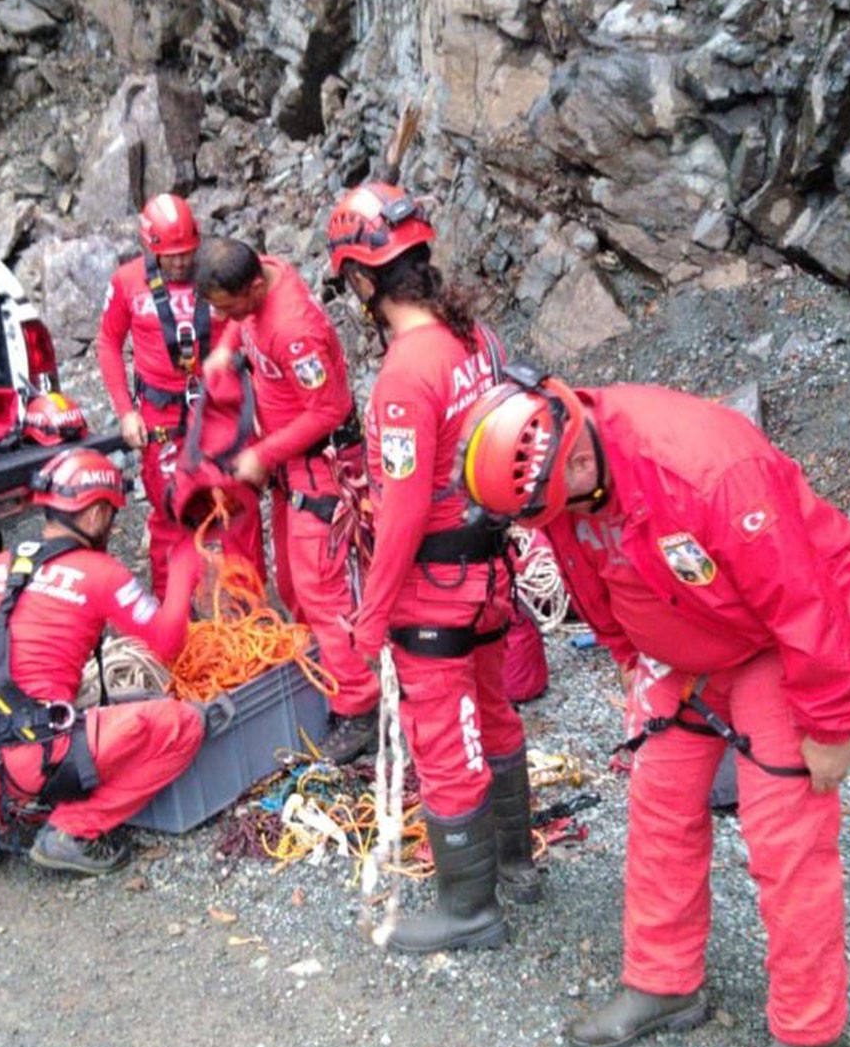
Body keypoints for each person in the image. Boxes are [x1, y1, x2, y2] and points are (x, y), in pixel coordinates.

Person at [459, 375, 850, 1047]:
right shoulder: (566, 482)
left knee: (785, 837)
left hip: (776, 645)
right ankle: (664, 983)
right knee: (659, 806)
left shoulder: (707, 470)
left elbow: (804, 599)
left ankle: (810, 1037)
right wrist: (630, 656)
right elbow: (590, 572)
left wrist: (831, 723)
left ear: (570, 461)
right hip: (684, 645)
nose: (542, 524)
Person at [323, 181, 545, 952]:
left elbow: (406, 509)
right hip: (489, 576)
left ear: (361, 280)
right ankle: (516, 862)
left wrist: (368, 615)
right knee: (495, 716)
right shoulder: (476, 340)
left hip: (438, 593)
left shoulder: (403, 377)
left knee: (445, 743)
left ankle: (469, 910)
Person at [0, 447, 215, 875]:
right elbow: (168, 641)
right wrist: (183, 569)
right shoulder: (100, 574)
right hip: (31, 757)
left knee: (8, 710)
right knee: (184, 725)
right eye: (112, 516)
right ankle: (72, 831)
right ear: (97, 514)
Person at [193, 236, 381, 763]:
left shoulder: (295, 331)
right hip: (288, 470)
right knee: (292, 584)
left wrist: (264, 453)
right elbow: (240, 315)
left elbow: (330, 408)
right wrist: (227, 346)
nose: (224, 315)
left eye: (229, 308)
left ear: (254, 288)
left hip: (321, 470)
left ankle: (359, 708)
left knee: (321, 590)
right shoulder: (262, 275)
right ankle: (328, 671)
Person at [96, 193, 263, 598]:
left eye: (187, 253)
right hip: (160, 417)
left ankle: (250, 612)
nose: (180, 263)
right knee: (172, 511)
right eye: (170, 256)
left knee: (238, 505)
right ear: (149, 248)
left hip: (220, 409)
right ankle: (176, 618)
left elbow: (250, 322)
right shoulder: (127, 282)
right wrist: (125, 411)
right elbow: (108, 343)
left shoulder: (217, 272)